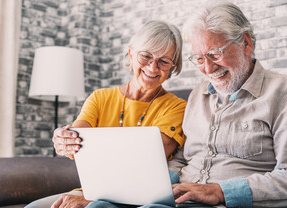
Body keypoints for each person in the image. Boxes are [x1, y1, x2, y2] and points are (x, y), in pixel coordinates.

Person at [168, 0, 287, 208]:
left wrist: (220, 191)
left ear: (246, 44)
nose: (207, 68)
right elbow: (182, 159)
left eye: (215, 54)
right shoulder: (198, 94)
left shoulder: (284, 93)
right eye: (198, 58)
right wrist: (156, 185)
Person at [25, 20, 187, 208]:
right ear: (131, 53)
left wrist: (92, 201)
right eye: (146, 56)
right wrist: (64, 140)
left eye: (164, 61)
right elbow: (77, 139)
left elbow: (145, 165)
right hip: (91, 191)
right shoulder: (100, 98)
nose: (152, 67)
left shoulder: (178, 107)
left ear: (173, 67)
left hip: (140, 198)